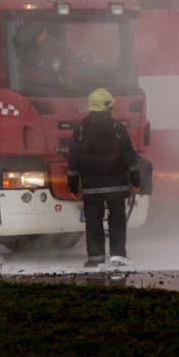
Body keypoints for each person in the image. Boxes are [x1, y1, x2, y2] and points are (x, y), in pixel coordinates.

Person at [67, 87, 141, 267]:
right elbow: (129, 156)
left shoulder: (80, 129)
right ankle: (117, 255)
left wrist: (73, 185)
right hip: (117, 185)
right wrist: (136, 180)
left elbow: (73, 159)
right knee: (117, 219)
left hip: (91, 186)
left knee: (93, 221)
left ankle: (95, 257)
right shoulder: (117, 127)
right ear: (106, 107)